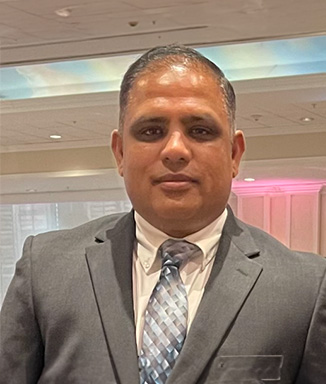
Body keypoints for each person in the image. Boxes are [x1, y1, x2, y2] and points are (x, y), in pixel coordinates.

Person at [1, 45, 325, 384]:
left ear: (234, 153)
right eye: (151, 131)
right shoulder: (46, 269)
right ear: (120, 152)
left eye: (200, 130)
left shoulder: (305, 289)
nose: (174, 150)